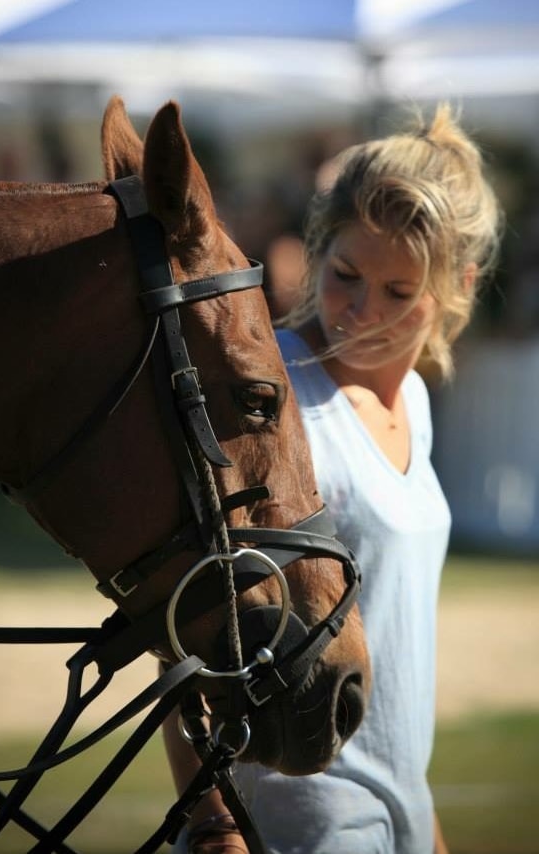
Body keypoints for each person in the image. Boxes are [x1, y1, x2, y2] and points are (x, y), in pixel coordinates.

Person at [163, 102, 503, 854]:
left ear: (458, 288)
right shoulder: (273, 399)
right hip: (292, 819)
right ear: (318, 250)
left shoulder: (414, 399)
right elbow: (183, 629)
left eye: (399, 291)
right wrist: (213, 821)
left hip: (402, 815)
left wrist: (424, 819)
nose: (360, 309)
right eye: (346, 273)